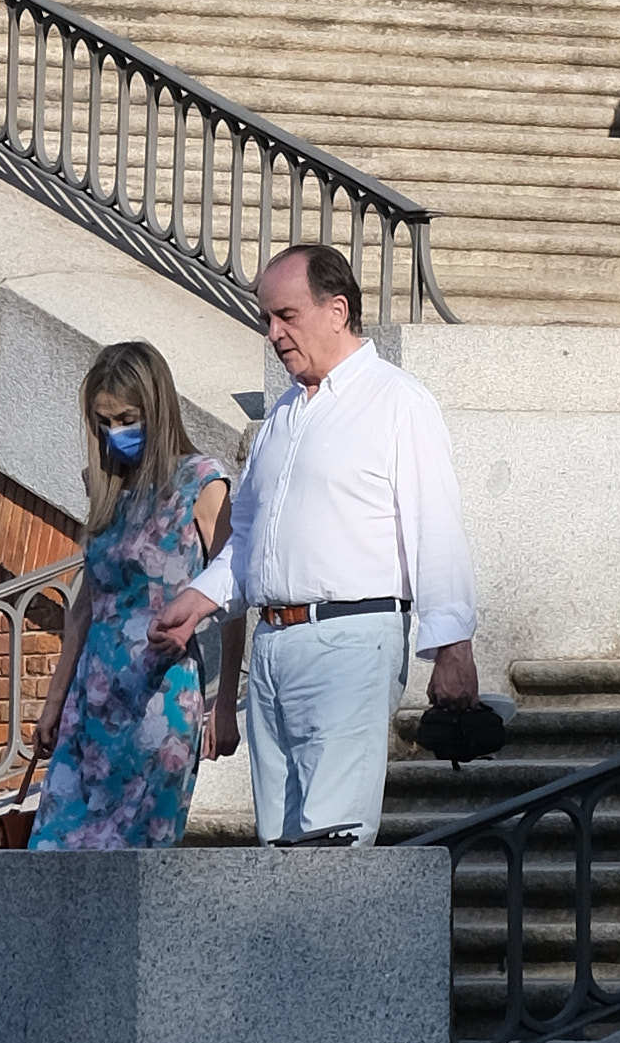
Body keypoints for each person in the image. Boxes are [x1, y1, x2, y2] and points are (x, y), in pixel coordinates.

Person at [157, 243, 480, 843]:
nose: (274, 334)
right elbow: (249, 536)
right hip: (275, 645)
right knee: (278, 845)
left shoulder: (397, 402)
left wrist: (452, 647)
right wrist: (199, 598)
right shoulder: (281, 416)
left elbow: (435, 526)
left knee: (330, 841)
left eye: (287, 316)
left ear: (337, 311)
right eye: (266, 320)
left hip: (351, 640)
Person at [18, 338, 232, 848]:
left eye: (127, 418)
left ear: (155, 410)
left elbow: (233, 590)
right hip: (92, 697)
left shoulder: (201, 483)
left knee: (136, 858)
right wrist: (53, 703)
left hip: (162, 694)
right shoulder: (104, 484)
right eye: (105, 422)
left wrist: (221, 704)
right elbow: (85, 605)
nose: (117, 433)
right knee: (55, 846)